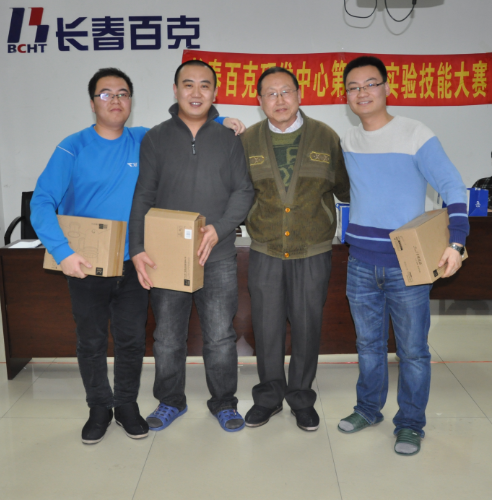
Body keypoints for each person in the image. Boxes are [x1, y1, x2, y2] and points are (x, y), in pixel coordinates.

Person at [30, 67, 245, 445]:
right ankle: (99, 408)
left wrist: (221, 119)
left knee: (132, 341)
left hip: (136, 262)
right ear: (92, 102)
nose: (115, 100)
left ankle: (126, 405)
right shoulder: (73, 146)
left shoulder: (143, 138)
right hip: (86, 262)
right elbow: (42, 201)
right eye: (106, 94)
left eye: (123, 94)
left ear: (131, 100)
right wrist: (63, 253)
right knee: (92, 341)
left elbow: (191, 122)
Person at [338, 56, 469, 455]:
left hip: (407, 266)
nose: (362, 93)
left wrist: (457, 242)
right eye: (353, 87)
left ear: (387, 87)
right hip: (360, 263)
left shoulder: (415, 133)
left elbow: (452, 185)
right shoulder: (348, 140)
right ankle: (368, 409)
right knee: (368, 346)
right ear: (346, 97)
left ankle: (410, 423)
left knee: (412, 351)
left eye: (370, 84)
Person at [129, 60, 254, 433]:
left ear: (215, 92)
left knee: (220, 335)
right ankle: (171, 401)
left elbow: (243, 190)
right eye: (188, 84)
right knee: (167, 337)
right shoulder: (156, 138)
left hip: (218, 255)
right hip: (168, 257)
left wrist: (220, 228)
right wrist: (137, 247)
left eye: (204, 85)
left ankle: (225, 403)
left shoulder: (229, 139)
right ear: (175, 89)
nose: (196, 93)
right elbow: (143, 195)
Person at [240, 67, 350, 432]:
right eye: (270, 94)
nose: (280, 100)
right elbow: (238, 191)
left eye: (286, 91)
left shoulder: (326, 137)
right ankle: (268, 397)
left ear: (299, 95)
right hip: (266, 249)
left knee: (307, 326)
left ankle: (301, 397)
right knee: (266, 327)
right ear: (260, 101)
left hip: (312, 250)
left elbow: (346, 188)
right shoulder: (248, 141)